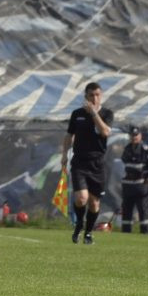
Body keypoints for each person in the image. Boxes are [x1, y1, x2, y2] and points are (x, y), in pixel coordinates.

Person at [61, 81, 114, 245]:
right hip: (79, 162)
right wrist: (64, 154)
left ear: (101, 96)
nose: (95, 98)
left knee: (94, 203)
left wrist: (94, 114)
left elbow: (105, 132)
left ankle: (89, 233)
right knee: (81, 198)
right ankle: (79, 224)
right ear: (86, 96)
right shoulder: (77, 114)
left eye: (97, 95)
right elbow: (69, 136)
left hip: (97, 164)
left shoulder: (106, 114)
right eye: (91, 95)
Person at [120, 125, 148, 234]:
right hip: (128, 184)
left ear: (140, 136)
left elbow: (144, 166)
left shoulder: (145, 149)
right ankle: (126, 232)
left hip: (140, 184)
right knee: (127, 210)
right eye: (132, 135)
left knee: (143, 210)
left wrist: (135, 167)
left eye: (136, 135)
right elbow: (125, 163)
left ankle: (145, 232)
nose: (134, 137)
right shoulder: (127, 148)